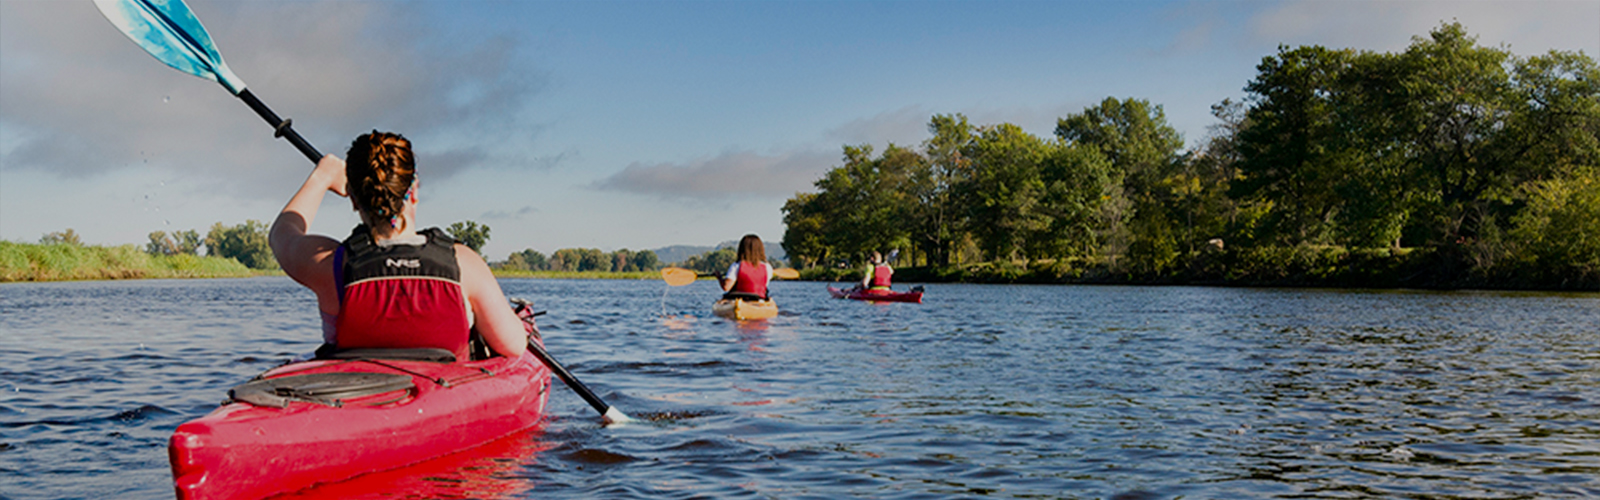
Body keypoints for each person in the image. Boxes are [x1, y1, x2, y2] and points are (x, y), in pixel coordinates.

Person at [269, 131, 527, 361]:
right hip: (440, 400)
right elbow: (514, 345)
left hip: (353, 399)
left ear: (354, 201)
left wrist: (322, 176)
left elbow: (281, 234)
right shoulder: (464, 264)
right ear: (413, 190)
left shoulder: (330, 265)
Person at [719, 234, 773, 300]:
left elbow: (726, 287)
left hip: (738, 300)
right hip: (759, 301)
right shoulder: (767, 267)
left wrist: (720, 278)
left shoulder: (736, 266)